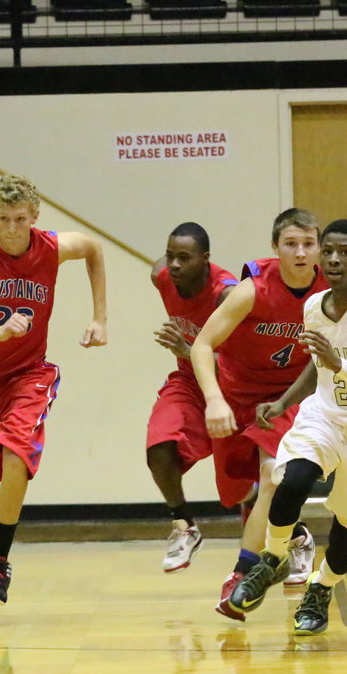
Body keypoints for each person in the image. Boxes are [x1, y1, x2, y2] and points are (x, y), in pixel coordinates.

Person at [236, 219, 347, 635]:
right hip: (323, 416)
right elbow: (318, 368)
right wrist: (283, 403)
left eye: (344, 251)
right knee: (291, 480)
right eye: (327, 251)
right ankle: (274, 560)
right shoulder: (313, 307)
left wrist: (339, 363)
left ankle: (321, 587)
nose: (332, 259)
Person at [0, 175, 107, 607]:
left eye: (20, 219)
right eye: (3, 219)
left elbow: (92, 247)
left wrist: (100, 317)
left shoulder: (52, 247)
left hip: (28, 375)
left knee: (16, 451)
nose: (12, 227)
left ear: (35, 218)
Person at [191, 208, 328, 620]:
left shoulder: (331, 292)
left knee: (273, 475)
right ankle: (294, 536)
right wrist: (214, 399)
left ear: (319, 248)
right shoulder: (252, 291)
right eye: (291, 244)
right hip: (238, 394)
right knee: (240, 490)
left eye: (308, 244)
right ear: (275, 248)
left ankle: (243, 573)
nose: (301, 253)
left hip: (291, 398)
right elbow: (202, 345)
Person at [146, 222, 238, 572]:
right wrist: (187, 356)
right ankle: (184, 526)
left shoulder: (226, 295)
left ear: (206, 260)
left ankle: (294, 537)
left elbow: (238, 362)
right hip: (189, 382)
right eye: (171, 256)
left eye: (185, 257)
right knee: (159, 448)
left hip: (231, 387)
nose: (175, 265)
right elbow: (159, 267)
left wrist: (187, 349)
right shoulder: (162, 276)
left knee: (241, 487)